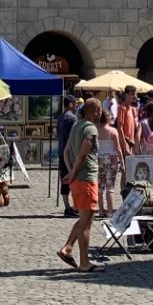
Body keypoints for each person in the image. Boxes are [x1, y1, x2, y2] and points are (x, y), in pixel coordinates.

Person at [57, 98, 103, 274]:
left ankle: (67, 248)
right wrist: (74, 173)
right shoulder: (90, 129)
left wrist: (70, 172)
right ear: (93, 111)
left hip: (78, 180)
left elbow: (67, 151)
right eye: (98, 110)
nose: (100, 114)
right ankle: (84, 262)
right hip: (86, 179)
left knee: (84, 218)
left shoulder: (76, 125)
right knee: (86, 223)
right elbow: (83, 155)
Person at [95, 105, 125, 216]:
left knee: (100, 186)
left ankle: (101, 210)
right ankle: (110, 211)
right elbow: (118, 148)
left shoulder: (96, 131)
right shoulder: (113, 131)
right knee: (110, 186)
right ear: (109, 118)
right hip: (111, 159)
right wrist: (122, 162)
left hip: (99, 159)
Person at [56, 97, 80, 214]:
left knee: (64, 179)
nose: (76, 106)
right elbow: (75, 136)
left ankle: (67, 206)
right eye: (75, 103)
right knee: (74, 178)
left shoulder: (60, 118)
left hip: (61, 152)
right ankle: (75, 206)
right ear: (70, 104)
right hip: (71, 154)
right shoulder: (73, 118)